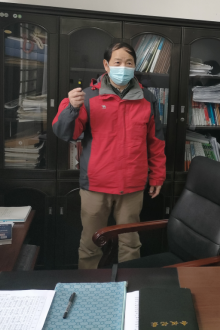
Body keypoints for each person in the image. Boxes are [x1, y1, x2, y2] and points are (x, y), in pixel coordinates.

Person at [52, 42, 166, 269]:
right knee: (90, 244)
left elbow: (156, 142)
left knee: (130, 244)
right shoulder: (87, 97)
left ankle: (128, 286)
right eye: (118, 62)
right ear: (106, 65)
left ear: (135, 67)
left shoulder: (147, 99)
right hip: (96, 185)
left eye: (129, 63)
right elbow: (66, 133)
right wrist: (71, 109)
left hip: (132, 185)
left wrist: (157, 176)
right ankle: (89, 287)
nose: (123, 67)